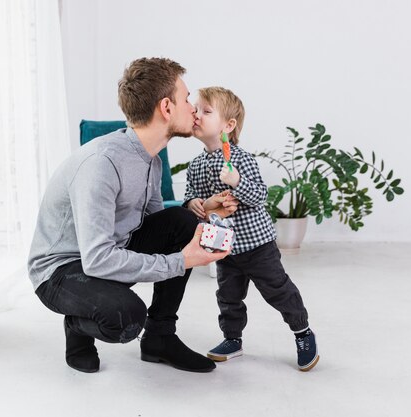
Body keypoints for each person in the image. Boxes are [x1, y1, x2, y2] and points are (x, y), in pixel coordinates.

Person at [28, 58, 238, 374]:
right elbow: (97, 259)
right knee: (125, 318)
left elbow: (160, 228)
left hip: (108, 249)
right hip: (61, 269)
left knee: (183, 223)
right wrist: (183, 261)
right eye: (185, 100)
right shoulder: (102, 164)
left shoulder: (150, 159)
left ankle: (160, 338)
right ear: (166, 108)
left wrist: (204, 213)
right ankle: (78, 326)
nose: (193, 109)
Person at [184, 86, 319, 371]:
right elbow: (191, 199)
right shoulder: (195, 165)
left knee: (278, 290)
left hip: (257, 246)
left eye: (206, 111)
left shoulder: (241, 159)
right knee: (228, 296)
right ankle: (232, 339)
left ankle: (302, 332)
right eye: (195, 109)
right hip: (224, 248)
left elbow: (259, 196)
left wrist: (236, 182)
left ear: (228, 125)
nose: (196, 114)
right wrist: (199, 203)